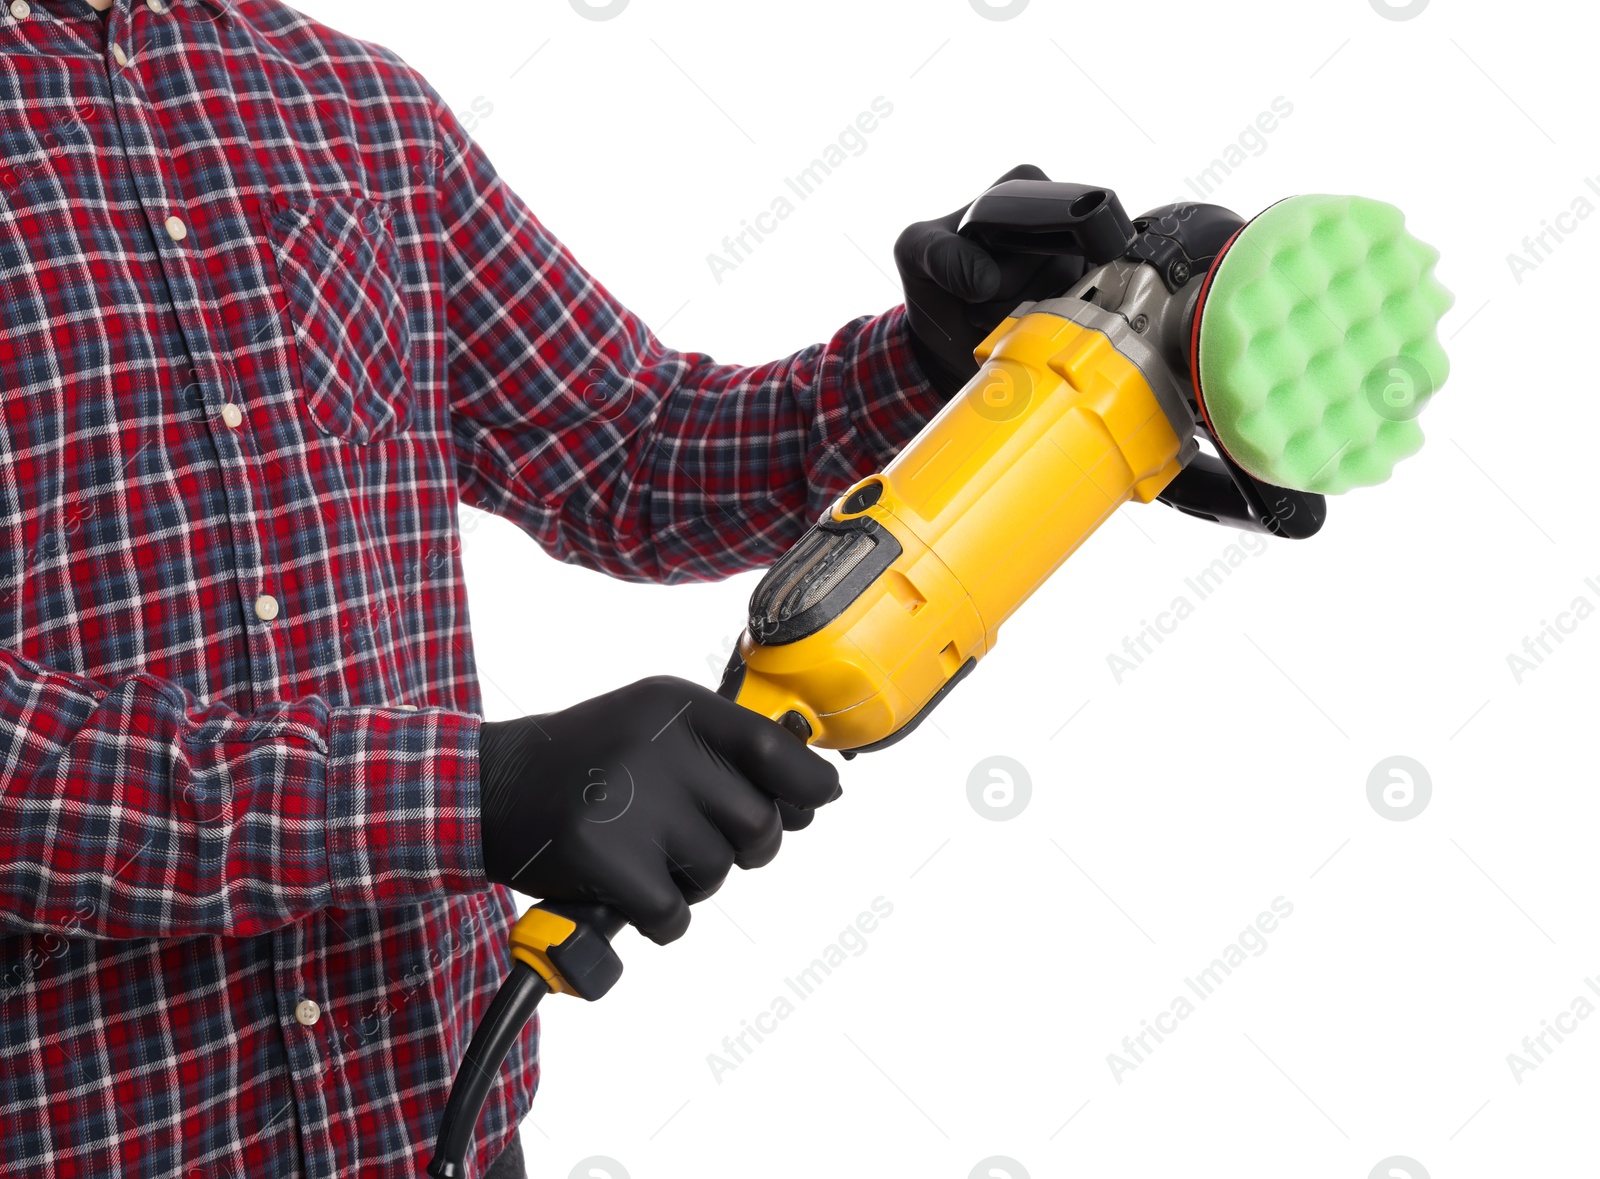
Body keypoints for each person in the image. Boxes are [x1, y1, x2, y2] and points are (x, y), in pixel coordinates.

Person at [0, 1, 1077, 1175]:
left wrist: (932, 359)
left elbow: (627, 447)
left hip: (434, 1127)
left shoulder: (347, 107)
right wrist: (466, 791)